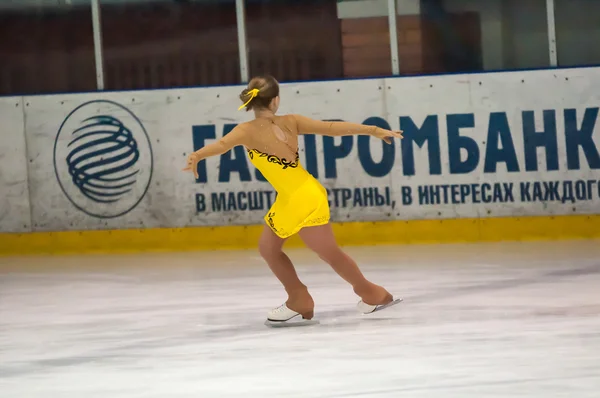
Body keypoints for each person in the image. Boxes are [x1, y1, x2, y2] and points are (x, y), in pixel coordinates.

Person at [184, 75, 403, 326]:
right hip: (311, 191)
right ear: (276, 100)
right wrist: (373, 130)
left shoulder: (246, 131)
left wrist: (196, 156)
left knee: (268, 249)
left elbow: (221, 146)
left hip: (296, 198)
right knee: (329, 252)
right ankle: (372, 293)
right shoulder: (292, 121)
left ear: (253, 102)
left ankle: (299, 300)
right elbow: (332, 129)